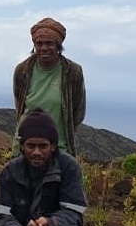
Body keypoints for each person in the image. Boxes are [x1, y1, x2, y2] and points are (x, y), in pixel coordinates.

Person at [12, 17, 86, 157]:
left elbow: (78, 111)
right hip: (26, 148)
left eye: (49, 43)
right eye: (39, 44)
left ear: (58, 45)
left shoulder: (73, 72)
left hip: (60, 148)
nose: (44, 48)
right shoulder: (22, 70)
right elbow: (20, 108)